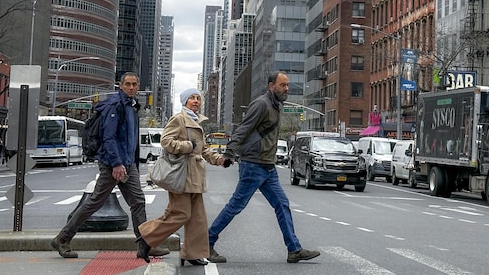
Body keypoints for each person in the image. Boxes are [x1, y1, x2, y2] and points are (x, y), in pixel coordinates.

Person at [51, 72, 169, 259]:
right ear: (120, 86)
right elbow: (109, 137)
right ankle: (63, 239)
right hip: (112, 164)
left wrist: (134, 164)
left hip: (127, 164)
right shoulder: (115, 106)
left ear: (138, 86)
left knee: (137, 202)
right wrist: (116, 163)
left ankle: (145, 246)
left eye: (134, 84)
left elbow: (132, 140)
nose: (131, 87)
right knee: (94, 202)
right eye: (128, 84)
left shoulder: (131, 107)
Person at [208, 71, 320, 264]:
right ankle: (207, 242)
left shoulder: (276, 105)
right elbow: (243, 128)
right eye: (282, 85)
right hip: (253, 165)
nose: (286, 89)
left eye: (287, 85)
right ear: (271, 86)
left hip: (268, 166)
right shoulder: (262, 104)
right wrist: (229, 153)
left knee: (282, 204)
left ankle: (294, 249)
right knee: (236, 206)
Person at [136, 88, 227, 266]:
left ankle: (192, 254)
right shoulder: (179, 119)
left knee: (197, 218)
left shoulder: (196, 121)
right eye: (191, 98)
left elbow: (203, 148)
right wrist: (187, 145)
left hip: (195, 176)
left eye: (198, 98)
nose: (195, 101)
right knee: (181, 214)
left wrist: (219, 160)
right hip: (182, 175)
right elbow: (166, 141)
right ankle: (146, 237)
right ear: (185, 102)